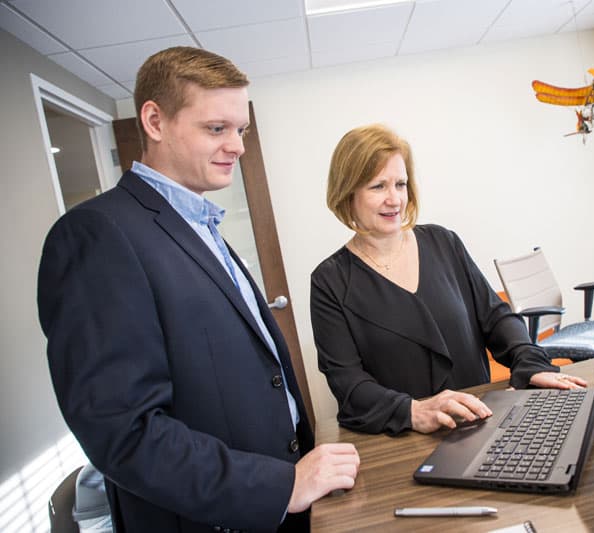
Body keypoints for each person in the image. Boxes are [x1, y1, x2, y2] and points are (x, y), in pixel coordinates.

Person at [37, 47, 359, 533]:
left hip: (280, 501)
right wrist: (279, 486)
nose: (238, 146)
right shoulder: (97, 234)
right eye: (217, 129)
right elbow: (123, 430)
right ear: (154, 121)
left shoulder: (200, 227)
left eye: (241, 130)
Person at [310, 124, 587, 435]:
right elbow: (348, 384)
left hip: (484, 423)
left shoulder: (443, 243)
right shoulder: (330, 281)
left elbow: (495, 318)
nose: (394, 199)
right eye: (378, 187)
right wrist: (414, 411)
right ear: (348, 193)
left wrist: (529, 360)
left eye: (400, 184)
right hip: (407, 440)